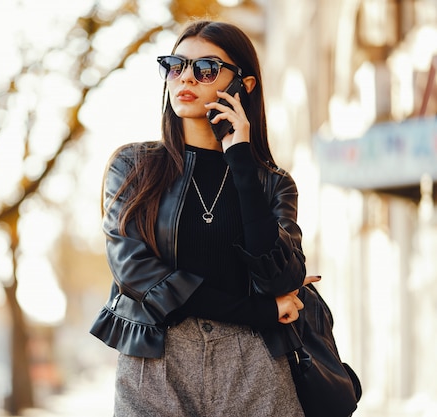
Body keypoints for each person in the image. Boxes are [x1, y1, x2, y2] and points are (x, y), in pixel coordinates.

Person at [90, 20, 316, 416]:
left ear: (243, 85)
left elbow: (280, 278)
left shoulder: (272, 184)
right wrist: (258, 310)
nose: (185, 78)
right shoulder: (132, 168)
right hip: (156, 363)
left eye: (206, 68)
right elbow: (138, 274)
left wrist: (241, 160)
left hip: (254, 364)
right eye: (175, 65)